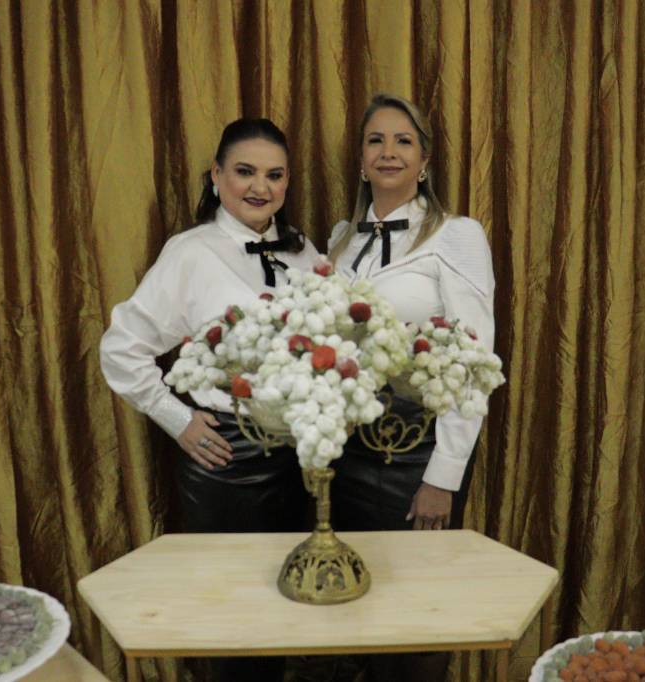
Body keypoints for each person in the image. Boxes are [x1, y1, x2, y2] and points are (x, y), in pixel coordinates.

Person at [100, 118, 318, 682]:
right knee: (232, 614)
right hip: (228, 459)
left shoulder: (302, 251)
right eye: (245, 171)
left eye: (275, 175)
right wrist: (177, 419)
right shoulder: (191, 253)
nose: (260, 187)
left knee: (288, 610)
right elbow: (121, 349)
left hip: (300, 458)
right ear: (217, 176)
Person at [328, 93, 496, 682]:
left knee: (417, 618)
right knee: (361, 608)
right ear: (360, 159)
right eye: (376, 140)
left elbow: (475, 360)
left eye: (404, 141)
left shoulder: (456, 234)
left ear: (424, 161)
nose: (389, 151)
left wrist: (442, 477)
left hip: (415, 451)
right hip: (349, 454)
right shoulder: (341, 238)